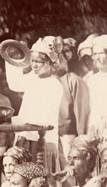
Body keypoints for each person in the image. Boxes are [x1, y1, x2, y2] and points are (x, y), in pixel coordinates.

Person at [4, 36, 64, 173]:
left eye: (39, 62)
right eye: (32, 61)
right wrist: (14, 56)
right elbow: (14, 83)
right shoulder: (33, 78)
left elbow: (44, 117)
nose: (34, 65)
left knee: (41, 176)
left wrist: (14, 120)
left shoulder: (54, 85)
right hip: (26, 135)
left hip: (42, 139)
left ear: (50, 63)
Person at [55, 37, 90, 161]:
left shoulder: (73, 80)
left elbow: (82, 112)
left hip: (69, 136)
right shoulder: (48, 82)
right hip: (50, 136)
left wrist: (80, 140)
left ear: (66, 59)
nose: (56, 63)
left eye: (59, 58)